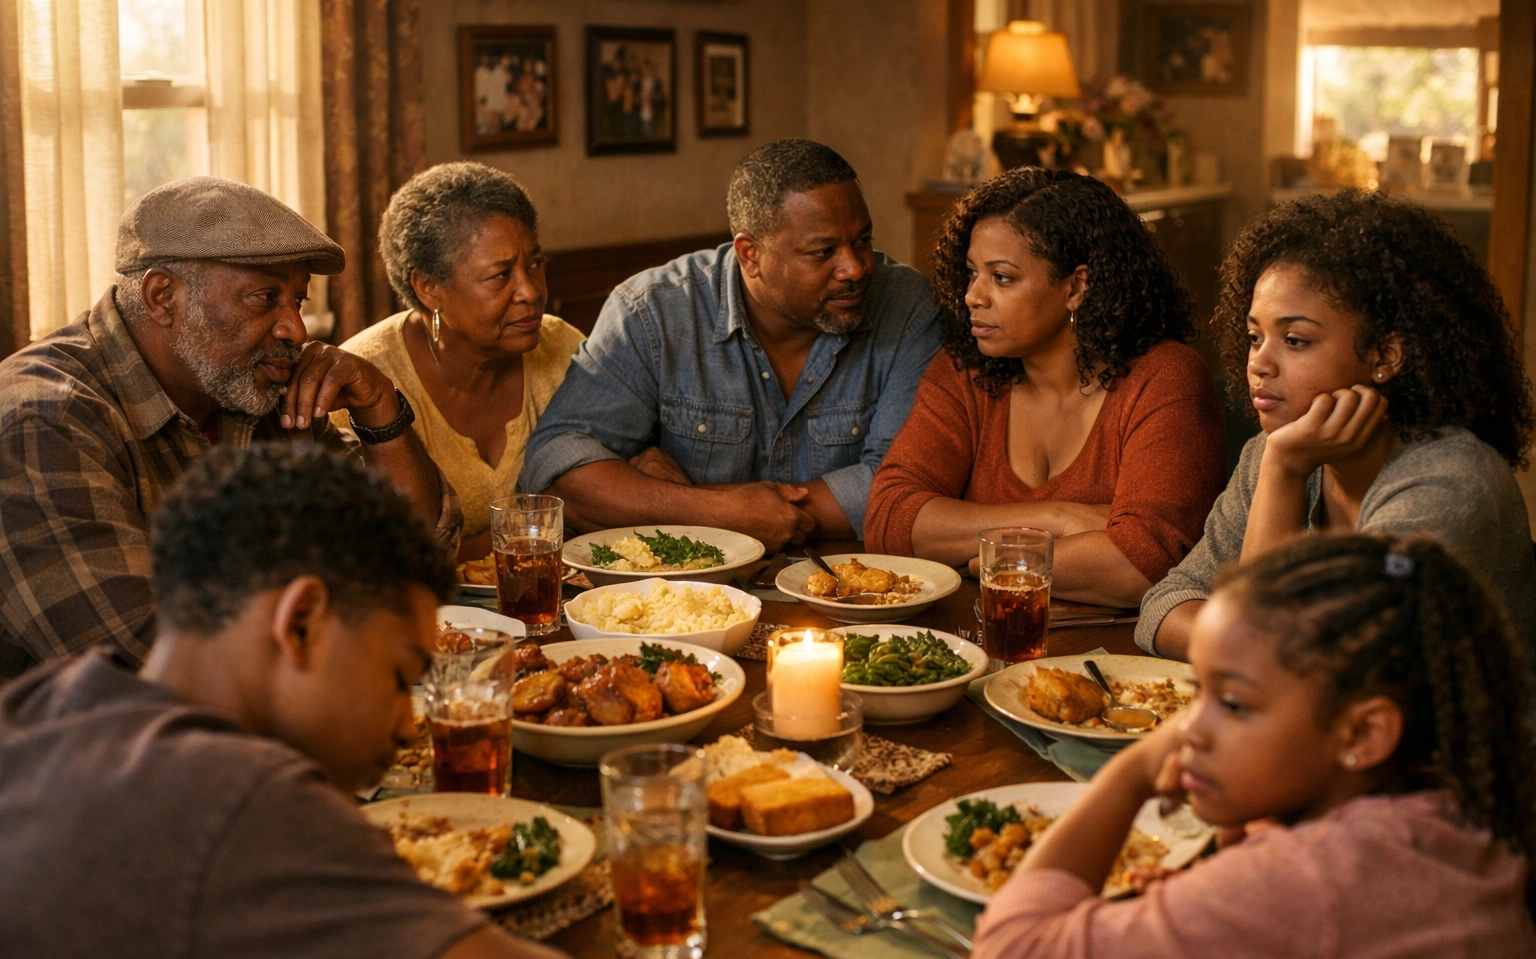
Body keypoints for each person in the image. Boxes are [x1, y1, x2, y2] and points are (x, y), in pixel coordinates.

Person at [0, 445, 599, 959]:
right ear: (302, 622)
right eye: (400, 676)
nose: (405, 722)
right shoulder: (240, 799)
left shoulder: (47, 705)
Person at [970, 533, 1536, 959]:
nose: (1187, 730)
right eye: (1201, 694)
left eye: (1234, 704)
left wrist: (1131, 774)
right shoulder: (1459, 817)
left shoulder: (1302, 885)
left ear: (1363, 736)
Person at [0, 176, 458, 679]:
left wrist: (379, 409)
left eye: (298, 301)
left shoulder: (249, 386)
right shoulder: (44, 421)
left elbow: (417, 562)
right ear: (161, 297)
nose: (296, 330)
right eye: (264, 298)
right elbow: (149, 661)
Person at [1138, 189, 1536, 662]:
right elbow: (1161, 607)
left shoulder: (1449, 484)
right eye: (1254, 336)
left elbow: (1284, 664)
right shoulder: (1275, 450)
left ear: (1385, 355)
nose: (1259, 363)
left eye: (1295, 339)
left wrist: (1285, 470)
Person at [519, 138, 944, 549]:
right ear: (750, 255)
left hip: (858, 593)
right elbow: (558, 469)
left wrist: (690, 503)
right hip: (683, 602)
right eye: (823, 251)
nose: (854, 267)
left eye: (863, 241)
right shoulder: (653, 311)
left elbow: (901, 489)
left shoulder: (908, 308)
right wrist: (721, 512)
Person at [864, 167, 1226, 607]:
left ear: (1076, 287)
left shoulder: (1165, 378)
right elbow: (889, 520)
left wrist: (984, 559)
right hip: (973, 641)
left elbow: (1139, 566)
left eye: (1002, 278)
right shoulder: (964, 370)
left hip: (1116, 663)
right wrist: (1054, 518)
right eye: (972, 272)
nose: (973, 296)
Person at [333, 163, 583, 562]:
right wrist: (538, 532)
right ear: (428, 287)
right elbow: (377, 558)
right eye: (501, 275)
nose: (531, 291)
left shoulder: (563, 348)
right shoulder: (361, 384)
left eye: (535, 264)